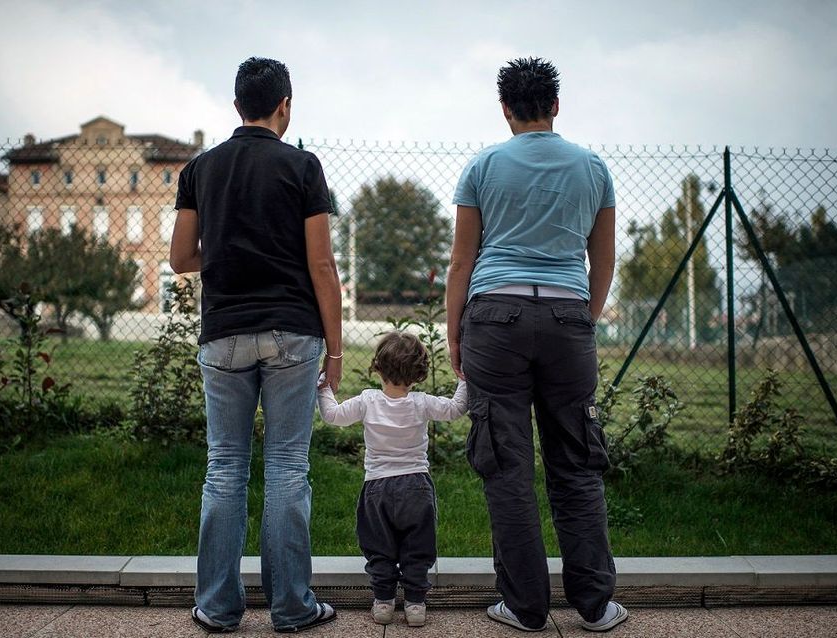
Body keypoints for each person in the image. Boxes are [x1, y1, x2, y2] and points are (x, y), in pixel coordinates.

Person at [445, 57, 628, 633]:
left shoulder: (482, 167)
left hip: (493, 318)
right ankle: (596, 606)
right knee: (577, 462)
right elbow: (604, 259)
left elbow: (460, 262)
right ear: (555, 105)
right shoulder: (593, 168)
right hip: (569, 316)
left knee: (506, 466)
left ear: (505, 109)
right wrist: (584, 317)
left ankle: (524, 608)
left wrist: (456, 333)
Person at [170, 56, 343, 634]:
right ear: (284, 105)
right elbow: (321, 264)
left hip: (222, 335)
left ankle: (217, 607)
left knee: (224, 468)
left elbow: (180, 259)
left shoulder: (200, 169)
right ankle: (293, 608)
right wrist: (336, 351)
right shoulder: (302, 167)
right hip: (293, 332)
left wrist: (226, 254)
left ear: (237, 104)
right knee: (289, 467)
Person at [317, 331, 467, 628]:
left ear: (378, 367)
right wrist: (465, 379)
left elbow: (332, 416)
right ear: (418, 373)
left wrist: (323, 386)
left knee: (379, 546)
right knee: (418, 546)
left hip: (377, 488)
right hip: (416, 486)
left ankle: (383, 601)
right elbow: (457, 408)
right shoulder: (422, 403)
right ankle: (415, 603)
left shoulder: (367, 400)